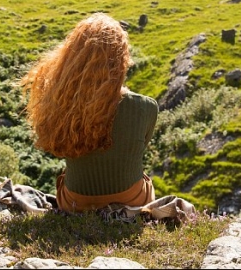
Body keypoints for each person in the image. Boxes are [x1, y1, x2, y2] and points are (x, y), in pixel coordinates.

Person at [20, 12, 159, 212]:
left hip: (74, 203)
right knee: (145, 180)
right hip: (132, 200)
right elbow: (136, 149)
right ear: (121, 61)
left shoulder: (61, 104)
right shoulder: (144, 107)